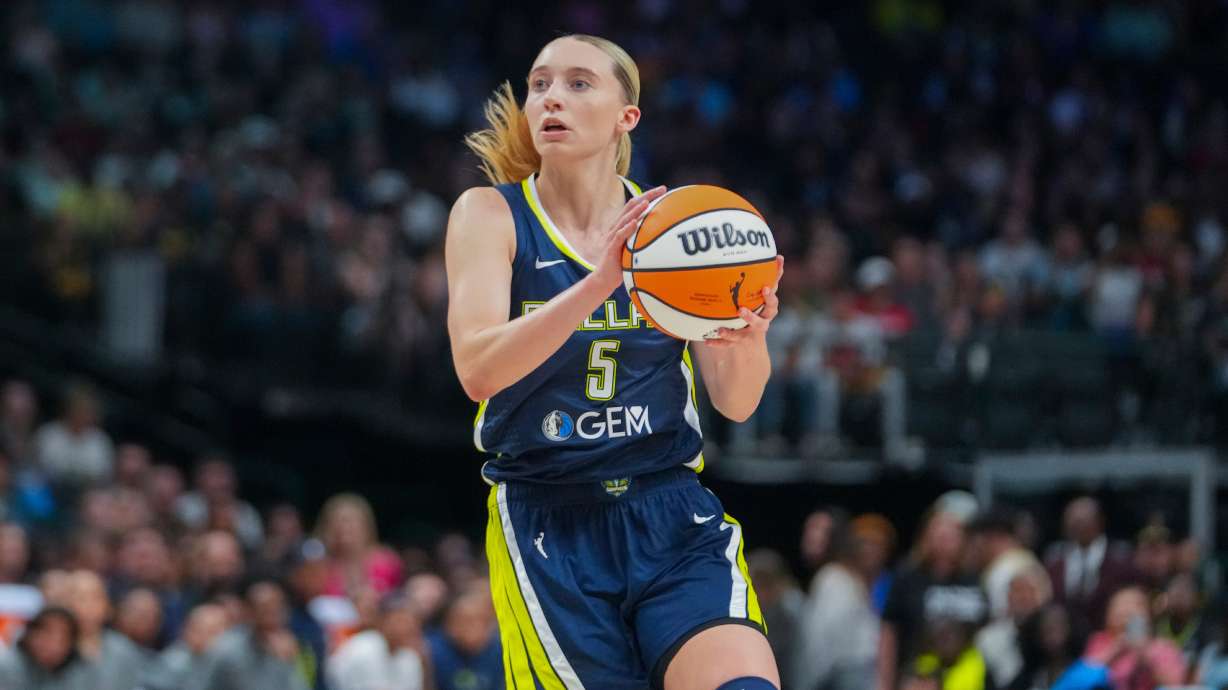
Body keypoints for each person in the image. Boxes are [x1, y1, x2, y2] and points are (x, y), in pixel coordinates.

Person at [447, 34, 783, 690]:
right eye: (539, 83)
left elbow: (737, 403)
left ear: (626, 116)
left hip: (669, 505)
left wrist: (747, 340)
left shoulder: (682, 229)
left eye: (578, 83)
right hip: (550, 520)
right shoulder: (491, 215)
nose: (551, 98)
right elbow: (478, 370)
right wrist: (601, 280)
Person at [879, 507, 987, 690]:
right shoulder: (908, 579)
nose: (944, 541)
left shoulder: (975, 579)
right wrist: (884, 683)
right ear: (926, 537)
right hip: (919, 678)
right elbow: (889, 634)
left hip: (968, 678)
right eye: (939, 533)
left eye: (951, 535)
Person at [1044, 497, 1136, 627]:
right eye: (1072, 521)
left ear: (1099, 522)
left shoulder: (1120, 560)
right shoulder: (1055, 562)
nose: (1077, 526)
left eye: (1082, 520)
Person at [1083, 586, 1186, 690]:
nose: (1126, 610)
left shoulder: (1163, 647)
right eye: (1119, 605)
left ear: (1148, 614)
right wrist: (1117, 649)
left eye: (1135, 605)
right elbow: (1080, 678)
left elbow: (1176, 683)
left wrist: (1145, 656)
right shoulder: (1099, 641)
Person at [327, 594, 426, 690]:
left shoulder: (410, 658)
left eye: (412, 621)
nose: (408, 627)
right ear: (382, 621)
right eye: (401, 620)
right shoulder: (362, 647)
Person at [314, 493, 402, 598]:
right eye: (337, 522)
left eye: (350, 522)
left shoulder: (386, 563)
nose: (343, 528)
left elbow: (397, 600)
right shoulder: (317, 566)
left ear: (366, 526)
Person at [137, 603, 230, 690]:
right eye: (197, 629)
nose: (201, 636)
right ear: (185, 630)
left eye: (211, 632)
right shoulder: (173, 662)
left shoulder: (229, 664)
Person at [427, 590, 502, 690]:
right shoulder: (430, 650)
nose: (473, 629)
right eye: (465, 621)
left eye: (481, 621)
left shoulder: (499, 651)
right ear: (448, 623)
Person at [0, 606, 84, 688]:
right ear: (30, 634)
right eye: (47, 635)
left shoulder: (75, 670)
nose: (54, 646)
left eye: (63, 639)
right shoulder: (6, 667)